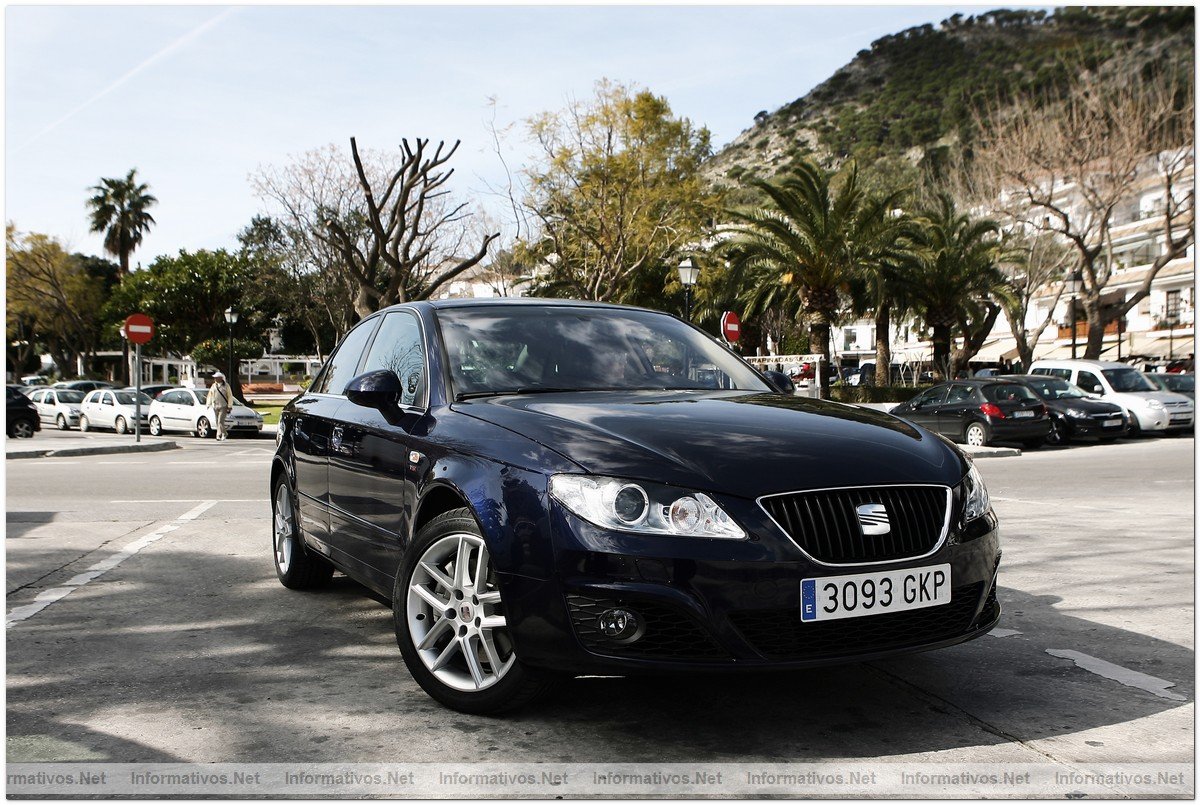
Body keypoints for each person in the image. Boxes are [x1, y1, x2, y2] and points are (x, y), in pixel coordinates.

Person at [206, 372, 233, 441]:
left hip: (223, 406)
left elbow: (230, 396)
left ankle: (220, 435)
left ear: (220, 378)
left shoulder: (226, 386)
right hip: (215, 406)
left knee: (220, 421)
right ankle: (223, 433)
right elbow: (210, 395)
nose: (215, 379)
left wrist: (230, 406)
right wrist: (208, 404)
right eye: (214, 377)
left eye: (216, 377)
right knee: (217, 421)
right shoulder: (213, 386)